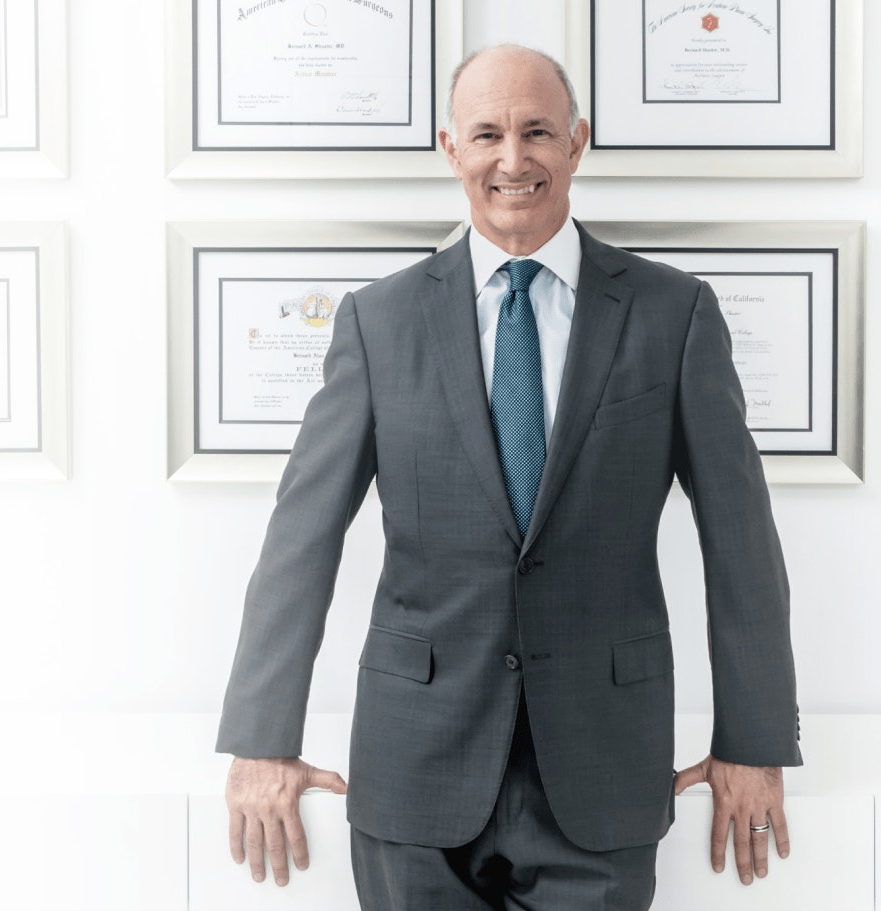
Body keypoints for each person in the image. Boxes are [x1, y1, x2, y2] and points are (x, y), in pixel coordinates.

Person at [215, 44, 801, 910]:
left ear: (578, 142)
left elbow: (741, 542)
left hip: (603, 772)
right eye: (487, 133)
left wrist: (753, 740)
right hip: (414, 771)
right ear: (452, 148)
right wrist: (262, 738)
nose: (513, 158)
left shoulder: (672, 314)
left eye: (537, 131)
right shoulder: (378, 322)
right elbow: (300, 540)